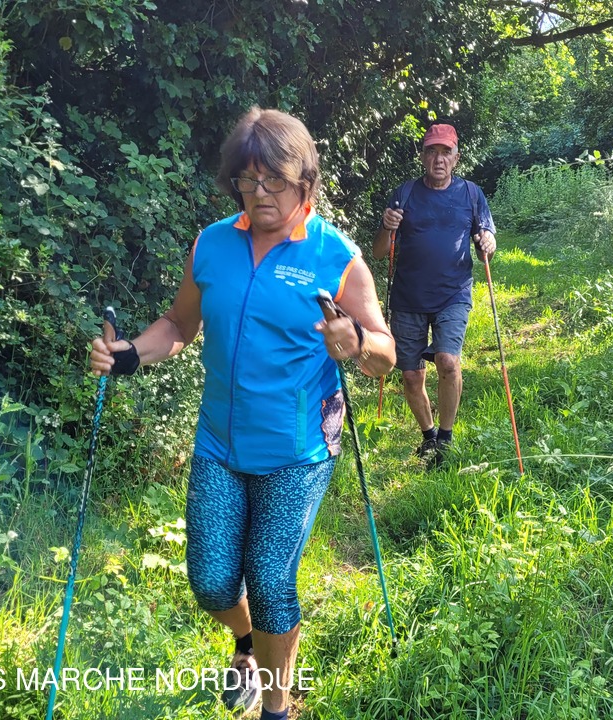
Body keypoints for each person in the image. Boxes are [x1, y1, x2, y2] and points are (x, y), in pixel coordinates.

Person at [89, 107, 395, 720]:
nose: (260, 193)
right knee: (210, 581)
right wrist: (128, 355)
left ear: (305, 181)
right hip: (219, 446)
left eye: (274, 180)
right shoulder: (212, 244)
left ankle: (276, 707)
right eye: (248, 180)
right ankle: (245, 642)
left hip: (297, 449)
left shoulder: (335, 255)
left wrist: (357, 342)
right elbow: (179, 325)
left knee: (272, 579)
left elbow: (385, 356)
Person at [372, 123, 497, 466]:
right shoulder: (404, 194)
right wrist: (386, 226)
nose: (438, 159)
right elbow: (380, 252)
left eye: (445, 152)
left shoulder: (471, 194)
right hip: (407, 297)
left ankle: (446, 437)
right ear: (422, 156)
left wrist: (487, 241)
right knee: (411, 376)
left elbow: (486, 244)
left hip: (452, 294)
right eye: (432, 151)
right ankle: (428, 436)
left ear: (456, 157)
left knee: (448, 361)